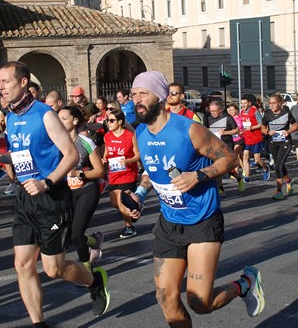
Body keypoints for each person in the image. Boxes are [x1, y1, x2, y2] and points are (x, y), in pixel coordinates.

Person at [123, 71, 264, 326]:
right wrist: (140, 194)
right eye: (134, 94)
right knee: (166, 297)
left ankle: (245, 284)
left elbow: (230, 158)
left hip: (202, 220)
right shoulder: (140, 133)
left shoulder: (189, 129)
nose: (137, 99)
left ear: (161, 96)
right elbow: (151, 170)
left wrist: (198, 176)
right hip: (169, 223)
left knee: (200, 303)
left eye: (143, 93)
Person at [0, 62, 110, 325]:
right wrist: (0, 157)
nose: (0, 87)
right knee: (23, 265)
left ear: (23, 82)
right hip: (25, 197)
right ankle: (38, 323)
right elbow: (26, 155)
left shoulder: (44, 115)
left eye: (5, 81)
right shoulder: (12, 116)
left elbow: (71, 154)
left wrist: (47, 182)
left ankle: (94, 281)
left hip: (52, 197)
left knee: (54, 269)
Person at [58, 106, 105, 271]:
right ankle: (94, 241)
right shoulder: (55, 142)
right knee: (69, 236)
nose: (60, 121)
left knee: (77, 235)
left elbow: (100, 171)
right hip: (66, 193)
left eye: (64, 118)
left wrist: (80, 174)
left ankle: (87, 271)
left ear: (75, 121)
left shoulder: (85, 142)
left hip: (87, 190)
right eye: (58, 118)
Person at [103, 109, 140, 238]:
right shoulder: (107, 136)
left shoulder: (130, 136)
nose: (109, 123)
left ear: (120, 122)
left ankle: (129, 227)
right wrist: (104, 158)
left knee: (120, 200)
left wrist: (128, 161)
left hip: (128, 173)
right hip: (114, 174)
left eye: (112, 120)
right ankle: (134, 208)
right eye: (107, 120)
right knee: (114, 203)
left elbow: (138, 154)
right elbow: (107, 151)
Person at [261, 93, 298, 200]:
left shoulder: (286, 113)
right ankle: (288, 181)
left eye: (274, 103)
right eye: (270, 103)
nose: (271, 106)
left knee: (278, 166)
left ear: (280, 103)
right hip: (273, 143)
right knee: (279, 165)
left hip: (285, 142)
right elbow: (262, 129)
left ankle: (279, 191)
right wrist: (268, 132)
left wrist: (288, 131)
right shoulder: (267, 114)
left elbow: (296, 125)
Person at [203, 99, 244, 193]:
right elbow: (205, 129)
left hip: (226, 145)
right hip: (214, 145)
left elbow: (236, 130)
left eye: (215, 111)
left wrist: (225, 132)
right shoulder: (208, 117)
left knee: (226, 167)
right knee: (216, 167)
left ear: (220, 110)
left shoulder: (228, 117)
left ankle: (238, 178)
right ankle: (220, 188)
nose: (212, 113)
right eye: (211, 111)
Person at [239, 96, 270, 183]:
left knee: (257, 159)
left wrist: (252, 127)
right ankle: (247, 176)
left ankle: (265, 168)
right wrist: (242, 131)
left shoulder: (254, 111)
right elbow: (244, 125)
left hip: (256, 138)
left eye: (245, 103)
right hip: (246, 138)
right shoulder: (241, 112)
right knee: (245, 157)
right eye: (242, 103)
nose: (243, 105)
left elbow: (261, 124)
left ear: (249, 103)